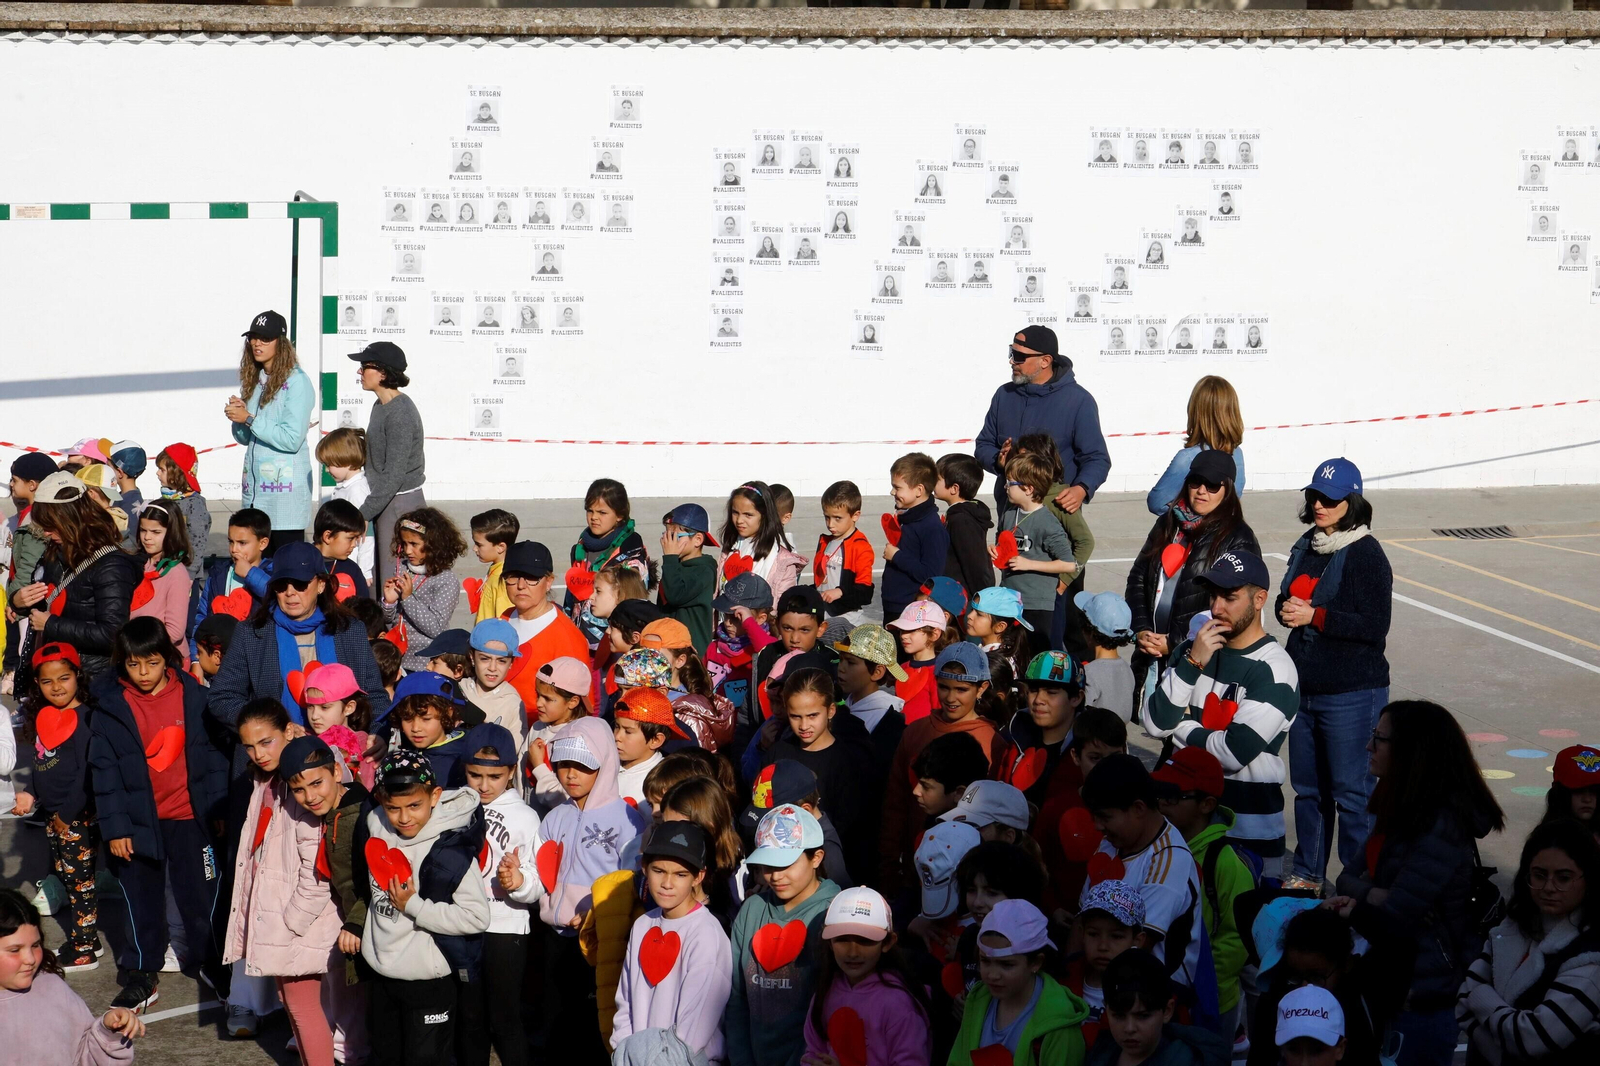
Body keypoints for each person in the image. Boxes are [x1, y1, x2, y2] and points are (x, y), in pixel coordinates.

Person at [1334, 700, 1506, 1066]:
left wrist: (1355, 906)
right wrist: (1371, 894)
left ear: (1410, 752)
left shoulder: (1440, 826)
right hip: (1393, 987)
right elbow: (1345, 876)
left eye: (1378, 738)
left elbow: (1397, 918)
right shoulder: (1399, 809)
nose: (1369, 747)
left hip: (1422, 998)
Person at [88, 617, 229, 1012]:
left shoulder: (194, 696)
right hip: (135, 824)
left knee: (203, 895)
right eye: (133, 665)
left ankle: (213, 963)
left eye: (151, 663)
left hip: (190, 818)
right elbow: (105, 772)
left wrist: (217, 807)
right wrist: (115, 827)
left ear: (167, 658)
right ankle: (141, 974)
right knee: (140, 902)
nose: (143, 673)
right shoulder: (110, 705)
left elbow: (214, 755)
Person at [1276, 458, 1393, 889]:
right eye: (1314, 496)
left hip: (1351, 693)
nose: (1320, 504)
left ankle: (1357, 881)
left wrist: (1316, 617)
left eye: (1331, 499)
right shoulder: (1307, 544)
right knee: (1308, 791)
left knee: (1353, 795)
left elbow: (1374, 624)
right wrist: (1286, 610)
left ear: (1352, 502)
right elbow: (1288, 596)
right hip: (1304, 689)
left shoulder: (1366, 553)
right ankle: (1308, 873)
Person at [1147, 549, 1299, 860]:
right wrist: (1192, 664)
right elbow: (1154, 723)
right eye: (1213, 595)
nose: (1216, 607)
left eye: (1229, 597)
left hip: (1248, 836)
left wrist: (1184, 725)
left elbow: (1231, 754)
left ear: (1259, 600)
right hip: (1184, 831)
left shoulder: (1275, 670)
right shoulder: (1193, 650)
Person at [224, 700, 343, 1066]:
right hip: (279, 917)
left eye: (266, 742)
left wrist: (291, 921)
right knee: (295, 1009)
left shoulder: (302, 783)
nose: (258, 753)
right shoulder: (268, 780)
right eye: (249, 745)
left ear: (289, 732)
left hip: (298, 922)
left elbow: (318, 870)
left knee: (305, 1010)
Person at [361, 749, 490, 1066]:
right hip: (381, 972)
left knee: (427, 1059)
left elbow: (476, 917)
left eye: (414, 806)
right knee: (384, 1056)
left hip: (429, 980)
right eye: (393, 808)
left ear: (434, 795)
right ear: (380, 800)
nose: (404, 818)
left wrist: (414, 906)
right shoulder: (375, 823)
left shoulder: (449, 852)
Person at [207, 541, 387, 757]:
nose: (290, 593)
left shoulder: (349, 631)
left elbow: (374, 695)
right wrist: (274, 727)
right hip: (273, 759)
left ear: (320, 585)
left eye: (300, 584)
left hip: (342, 757)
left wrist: (378, 735)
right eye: (282, 585)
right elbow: (222, 697)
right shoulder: (252, 634)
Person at [538, 718, 648, 1062]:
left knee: (593, 1020)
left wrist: (597, 911)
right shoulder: (555, 817)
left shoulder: (627, 819)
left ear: (604, 763)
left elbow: (630, 879)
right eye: (563, 765)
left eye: (583, 766)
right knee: (556, 1018)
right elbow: (540, 870)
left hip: (601, 937)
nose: (571, 774)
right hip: (555, 934)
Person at [1125, 449, 1259, 714]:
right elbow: (1138, 577)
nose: (1201, 491)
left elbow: (1237, 611)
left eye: (1211, 485)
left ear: (1228, 489)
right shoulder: (1168, 522)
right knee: (1155, 722)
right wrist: (1141, 629)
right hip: (1151, 651)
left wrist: (1174, 643)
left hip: (1201, 661)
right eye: (1195, 482)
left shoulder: (1238, 538)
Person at [1457, 819, 1600, 1064]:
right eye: (1539, 875)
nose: (1548, 887)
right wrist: (1503, 1049)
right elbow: (1461, 1002)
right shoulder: (1513, 926)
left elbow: (1536, 1039)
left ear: (1588, 880)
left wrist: (1481, 998)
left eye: (1563, 878)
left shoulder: (1591, 953)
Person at [975, 323, 1111, 556]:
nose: (1011, 361)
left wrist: (1081, 489)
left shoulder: (1078, 401)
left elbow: (1097, 458)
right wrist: (999, 460)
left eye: (1018, 356)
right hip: (1011, 517)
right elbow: (983, 445)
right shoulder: (1004, 396)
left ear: (1045, 361)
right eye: (1011, 352)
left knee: (1059, 590)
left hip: (1056, 520)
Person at [1079, 755, 1207, 1000]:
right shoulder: (1111, 842)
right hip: (1101, 981)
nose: (1097, 826)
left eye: (1104, 817)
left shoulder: (1169, 859)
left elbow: (1139, 947)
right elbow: (1082, 919)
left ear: (1138, 808)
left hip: (1150, 997)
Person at [726, 803, 842, 1066]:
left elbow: (830, 1003)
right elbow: (735, 995)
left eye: (786, 863)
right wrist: (741, 1058)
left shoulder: (833, 914)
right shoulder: (752, 909)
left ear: (816, 858)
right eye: (767, 865)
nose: (775, 875)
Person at [9, 643, 100, 970]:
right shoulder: (44, 716)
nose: (57, 687)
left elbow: (87, 774)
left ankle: (85, 947)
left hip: (74, 816)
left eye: (64, 678)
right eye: (47, 682)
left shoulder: (87, 718)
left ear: (78, 676)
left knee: (80, 882)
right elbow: (40, 763)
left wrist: (66, 815)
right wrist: (28, 792)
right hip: (52, 815)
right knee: (66, 875)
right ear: (37, 684)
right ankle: (91, 938)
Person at [1152, 747, 1253, 1037]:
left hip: (1210, 1000)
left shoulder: (1225, 862)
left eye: (1172, 797)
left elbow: (1237, 938)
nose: (1160, 803)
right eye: (1158, 793)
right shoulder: (1161, 845)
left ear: (1207, 804)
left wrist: (1203, 985)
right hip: (1168, 993)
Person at [611, 821, 732, 1060]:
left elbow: (695, 1027)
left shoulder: (706, 933)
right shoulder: (642, 925)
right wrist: (623, 1052)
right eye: (659, 871)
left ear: (699, 876)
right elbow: (625, 1002)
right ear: (644, 867)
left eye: (680, 874)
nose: (667, 883)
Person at [10, 472, 134, 687]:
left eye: (50, 526)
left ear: (71, 519)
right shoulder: (54, 552)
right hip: (54, 673)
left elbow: (113, 634)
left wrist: (51, 624)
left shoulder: (111, 564)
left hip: (92, 681)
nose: (46, 534)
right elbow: (48, 605)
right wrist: (19, 602)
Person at [0, 887, 146, 1062]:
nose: (30, 959)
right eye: (15, 950)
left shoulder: (52, 989)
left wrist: (108, 1032)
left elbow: (83, 1055)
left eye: (35, 945)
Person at [801, 886, 933, 1065]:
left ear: (888, 942)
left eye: (865, 940)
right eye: (842, 939)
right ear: (829, 942)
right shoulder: (824, 993)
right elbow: (813, 1052)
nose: (853, 952)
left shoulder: (898, 1004)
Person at [950, 899, 1088, 1066]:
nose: (993, 975)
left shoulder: (1059, 1026)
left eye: (1006, 964)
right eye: (985, 961)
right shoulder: (978, 1000)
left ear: (1036, 963)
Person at [225, 310, 315, 551]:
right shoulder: (256, 379)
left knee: (284, 578)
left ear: (281, 343)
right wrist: (238, 417)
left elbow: (291, 439)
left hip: (284, 504)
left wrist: (250, 419)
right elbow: (245, 438)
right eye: (253, 337)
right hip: (256, 501)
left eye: (265, 338)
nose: (256, 343)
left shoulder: (298, 382)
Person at [347, 342, 425, 596]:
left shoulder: (400, 413)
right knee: (381, 580)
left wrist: (362, 515)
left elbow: (394, 475)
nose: (360, 372)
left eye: (364, 366)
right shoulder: (380, 406)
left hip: (401, 506)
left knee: (394, 581)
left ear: (382, 373)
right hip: (384, 503)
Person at [382, 508, 466, 673]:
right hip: (396, 659)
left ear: (433, 544)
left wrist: (407, 598)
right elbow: (389, 620)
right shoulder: (403, 569)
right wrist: (389, 602)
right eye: (404, 544)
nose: (407, 551)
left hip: (424, 663)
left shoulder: (445, 580)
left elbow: (436, 628)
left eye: (414, 544)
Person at [883, 453, 952, 628]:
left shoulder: (931, 527)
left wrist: (897, 556)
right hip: (894, 603)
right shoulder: (907, 518)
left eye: (897, 487)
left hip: (910, 608)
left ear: (919, 490)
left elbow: (931, 573)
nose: (892, 492)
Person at [128, 500, 193, 669]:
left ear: (171, 533)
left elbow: (175, 630)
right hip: (135, 656)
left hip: (166, 661)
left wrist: (139, 648)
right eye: (143, 530)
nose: (147, 537)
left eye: (156, 532)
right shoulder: (138, 563)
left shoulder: (176, 573)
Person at [317, 428, 374, 585]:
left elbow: (366, 536)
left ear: (346, 460)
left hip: (352, 567)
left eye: (330, 464)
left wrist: (364, 570)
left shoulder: (357, 491)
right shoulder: (345, 487)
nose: (327, 470)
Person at [937, 453, 995, 598]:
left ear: (954, 488)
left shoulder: (961, 520)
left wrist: (981, 599)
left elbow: (974, 564)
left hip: (961, 598)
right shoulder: (958, 515)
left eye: (937, 479)